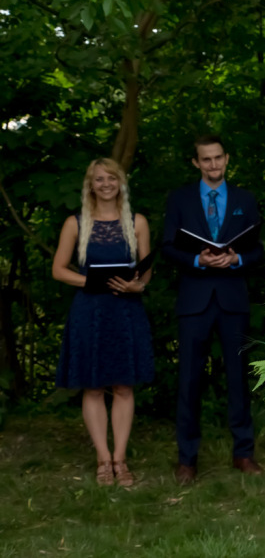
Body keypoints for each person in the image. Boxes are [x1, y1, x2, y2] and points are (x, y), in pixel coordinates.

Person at [161, 135, 264, 485]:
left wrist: (237, 258)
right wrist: (196, 258)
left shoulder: (245, 199)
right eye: (206, 160)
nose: (213, 165)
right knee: (189, 380)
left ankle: (244, 453)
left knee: (238, 379)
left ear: (227, 158)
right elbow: (167, 246)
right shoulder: (179, 199)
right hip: (194, 299)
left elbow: (258, 249)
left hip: (233, 298)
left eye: (218, 158)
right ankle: (187, 459)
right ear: (196, 163)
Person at [52, 158, 154, 487]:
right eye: (99, 179)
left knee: (123, 385)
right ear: (90, 185)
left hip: (126, 310)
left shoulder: (137, 221)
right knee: (93, 386)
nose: (106, 184)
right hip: (90, 311)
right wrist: (93, 282)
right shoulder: (75, 223)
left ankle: (120, 460)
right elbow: (59, 269)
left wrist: (138, 285)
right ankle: (102, 460)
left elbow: (146, 269)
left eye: (111, 178)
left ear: (120, 182)